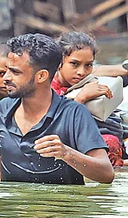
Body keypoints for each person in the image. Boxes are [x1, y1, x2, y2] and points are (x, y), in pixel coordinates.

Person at [0, 34, 114, 184]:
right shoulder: (3, 109)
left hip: (57, 206)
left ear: (41, 76)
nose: (6, 78)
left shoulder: (74, 114)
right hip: (12, 206)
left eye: (15, 72)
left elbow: (106, 174)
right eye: (6, 71)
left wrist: (66, 153)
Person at [52, 31, 124, 167]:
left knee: (110, 142)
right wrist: (81, 98)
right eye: (74, 64)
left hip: (90, 137)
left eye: (88, 65)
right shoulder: (47, 88)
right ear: (59, 62)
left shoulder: (92, 83)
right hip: (58, 140)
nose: (81, 72)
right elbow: (52, 125)